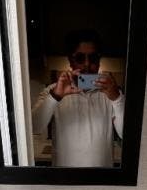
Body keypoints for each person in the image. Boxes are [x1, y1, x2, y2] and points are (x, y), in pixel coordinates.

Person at [31, 30, 124, 167]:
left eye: (93, 58)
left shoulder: (111, 93)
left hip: (102, 179)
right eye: (80, 58)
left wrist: (117, 98)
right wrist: (55, 96)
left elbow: (125, 134)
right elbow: (34, 127)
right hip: (65, 178)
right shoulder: (53, 92)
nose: (87, 64)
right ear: (70, 61)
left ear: (99, 61)